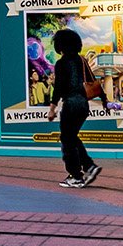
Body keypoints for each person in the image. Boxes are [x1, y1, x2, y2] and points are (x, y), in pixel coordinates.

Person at [44, 28, 101, 188]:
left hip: (71, 104)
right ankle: (89, 166)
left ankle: (76, 176)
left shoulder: (61, 63)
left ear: (60, 45)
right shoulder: (81, 60)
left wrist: (52, 108)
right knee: (71, 137)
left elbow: (59, 88)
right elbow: (91, 80)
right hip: (83, 104)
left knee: (67, 140)